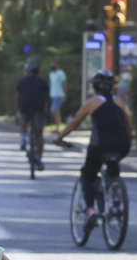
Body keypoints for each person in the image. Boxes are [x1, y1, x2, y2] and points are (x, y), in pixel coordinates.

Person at [53, 70, 131, 218]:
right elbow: (128, 123)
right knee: (113, 166)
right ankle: (115, 194)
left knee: (88, 175)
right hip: (122, 144)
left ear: (95, 86)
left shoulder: (91, 103)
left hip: (100, 145)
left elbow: (75, 123)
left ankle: (90, 210)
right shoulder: (120, 101)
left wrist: (60, 137)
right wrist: (129, 140)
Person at [15, 61, 50, 166]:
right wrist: (46, 112)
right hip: (39, 110)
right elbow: (47, 99)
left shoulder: (22, 82)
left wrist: (18, 108)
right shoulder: (43, 82)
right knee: (39, 134)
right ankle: (39, 158)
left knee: (22, 124)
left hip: (24, 109)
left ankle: (23, 140)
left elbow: (17, 96)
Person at [47, 62, 67, 126]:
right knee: (54, 111)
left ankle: (59, 126)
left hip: (59, 94)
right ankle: (57, 125)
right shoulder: (51, 74)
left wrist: (64, 93)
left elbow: (64, 83)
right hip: (53, 95)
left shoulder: (61, 73)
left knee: (56, 110)